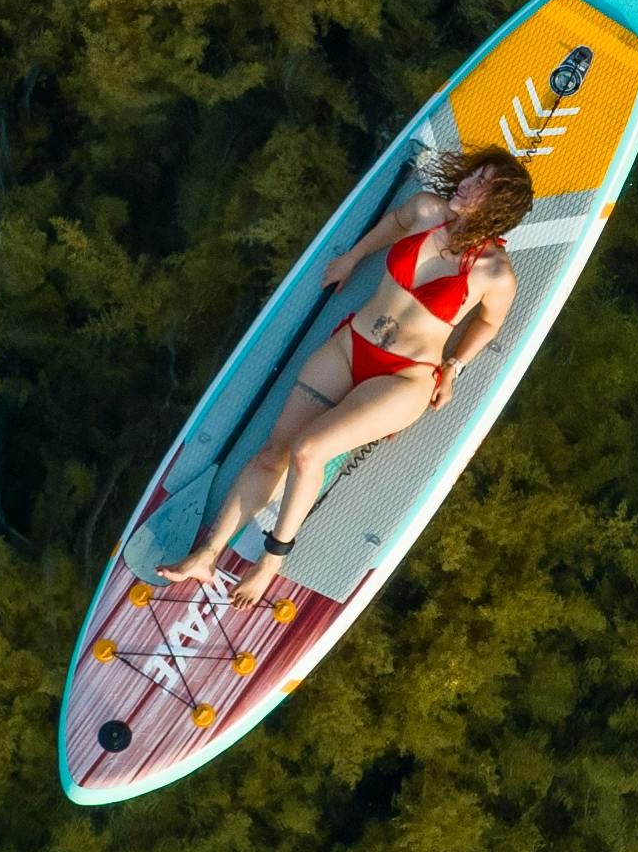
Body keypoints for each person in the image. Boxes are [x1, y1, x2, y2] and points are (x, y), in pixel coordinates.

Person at [153, 144, 534, 602]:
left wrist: (453, 368)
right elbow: (392, 225)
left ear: (496, 209)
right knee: (273, 452)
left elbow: (488, 322)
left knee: (309, 451)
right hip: (350, 345)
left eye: (480, 186)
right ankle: (206, 555)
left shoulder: (496, 273)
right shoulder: (426, 210)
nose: (466, 184)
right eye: (472, 175)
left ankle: (270, 563)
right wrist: (354, 257)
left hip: (405, 377)